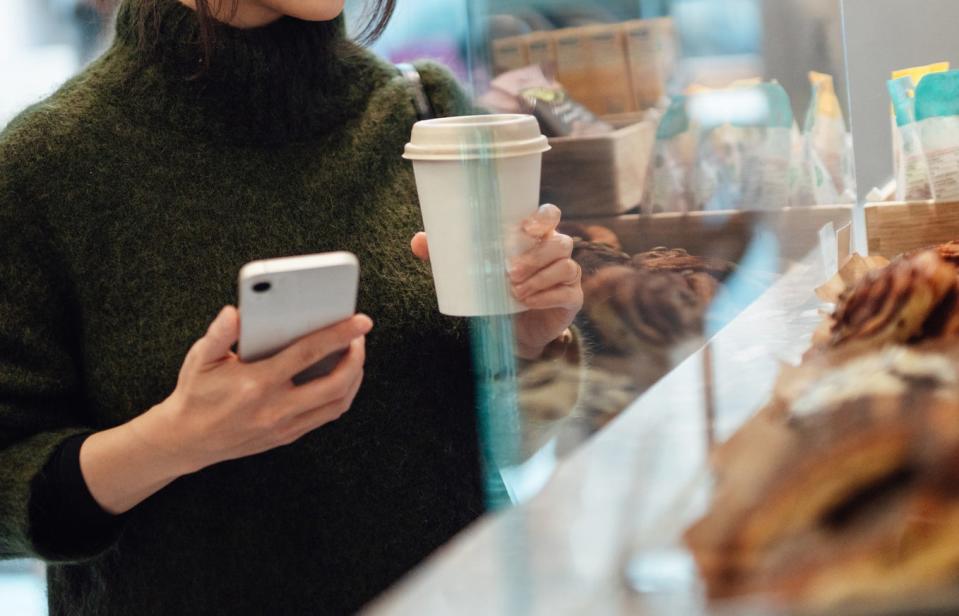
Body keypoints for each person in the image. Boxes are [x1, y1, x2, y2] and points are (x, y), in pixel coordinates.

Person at [0, 0, 584, 614]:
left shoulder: (426, 113)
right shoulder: (48, 166)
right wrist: (173, 440)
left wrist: (530, 343)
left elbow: (510, 448)